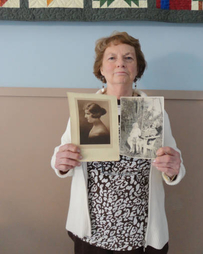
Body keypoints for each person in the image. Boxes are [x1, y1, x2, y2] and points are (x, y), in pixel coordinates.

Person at [51, 31, 186, 254]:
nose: (120, 63)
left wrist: (173, 169)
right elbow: (61, 157)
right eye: (112, 58)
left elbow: (175, 164)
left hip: (141, 233)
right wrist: (61, 163)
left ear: (137, 69)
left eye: (128, 58)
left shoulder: (155, 112)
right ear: (101, 70)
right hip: (92, 233)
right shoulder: (84, 110)